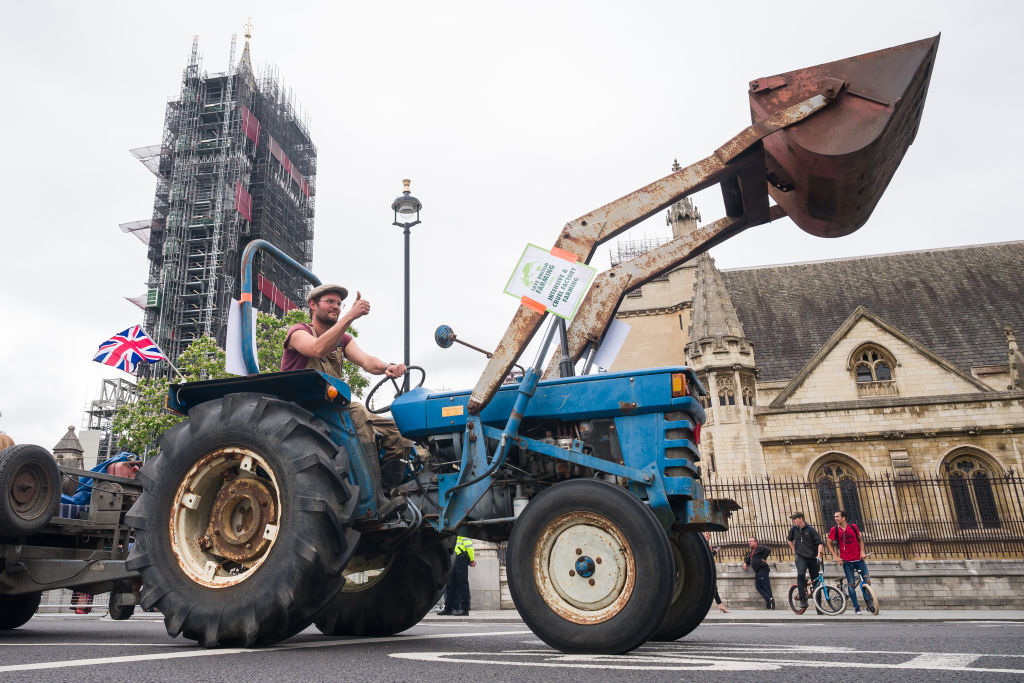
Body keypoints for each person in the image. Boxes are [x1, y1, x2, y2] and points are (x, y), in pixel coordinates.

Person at [281, 283, 411, 517]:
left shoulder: (343, 340)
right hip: (306, 408)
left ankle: (392, 493)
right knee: (359, 412)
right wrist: (351, 315)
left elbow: (367, 361)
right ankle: (373, 501)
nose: (336, 307)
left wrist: (387, 367)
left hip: (335, 409)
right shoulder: (298, 332)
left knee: (400, 430)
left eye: (339, 304)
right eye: (330, 302)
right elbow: (317, 349)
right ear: (313, 305)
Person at [827, 509, 870, 615]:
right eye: (835, 517)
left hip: (859, 559)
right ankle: (857, 608)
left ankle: (870, 604)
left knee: (867, 582)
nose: (835, 518)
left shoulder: (853, 527)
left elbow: (860, 540)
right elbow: (828, 543)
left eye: (837, 516)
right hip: (847, 562)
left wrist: (862, 552)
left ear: (843, 518)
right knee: (851, 584)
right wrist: (836, 556)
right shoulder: (834, 530)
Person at [787, 511, 824, 610]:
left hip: (812, 557)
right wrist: (795, 550)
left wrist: (819, 555)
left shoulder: (810, 529)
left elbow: (819, 543)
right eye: (793, 519)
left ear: (801, 519)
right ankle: (803, 600)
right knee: (801, 575)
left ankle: (818, 606)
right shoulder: (794, 529)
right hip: (801, 557)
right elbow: (789, 540)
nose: (793, 521)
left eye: (795, 519)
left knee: (816, 581)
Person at [437, 536, 477, 616]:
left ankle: (464, 609)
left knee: (462, 583)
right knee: (451, 584)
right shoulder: (454, 532)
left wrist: (472, 560)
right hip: (454, 557)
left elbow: (469, 546)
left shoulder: (464, 531)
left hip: (461, 557)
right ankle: (449, 608)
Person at [742, 537, 774, 609]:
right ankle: (769, 601)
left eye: (751, 541)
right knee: (760, 586)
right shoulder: (752, 551)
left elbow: (768, 550)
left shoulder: (759, 547)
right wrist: (745, 562)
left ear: (755, 542)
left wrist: (764, 558)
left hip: (762, 569)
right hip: (758, 570)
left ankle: (769, 600)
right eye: (749, 541)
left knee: (763, 586)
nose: (749, 543)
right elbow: (748, 558)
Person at [703, 531, 729, 613]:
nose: (708, 535)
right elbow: (706, 556)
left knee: (712, 587)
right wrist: (715, 551)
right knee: (712, 587)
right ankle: (720, 604)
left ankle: (720, 604)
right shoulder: (702, 543)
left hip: (707, 568)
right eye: (706, 533)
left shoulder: (705, 543)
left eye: (709, 534)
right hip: (705, 569)